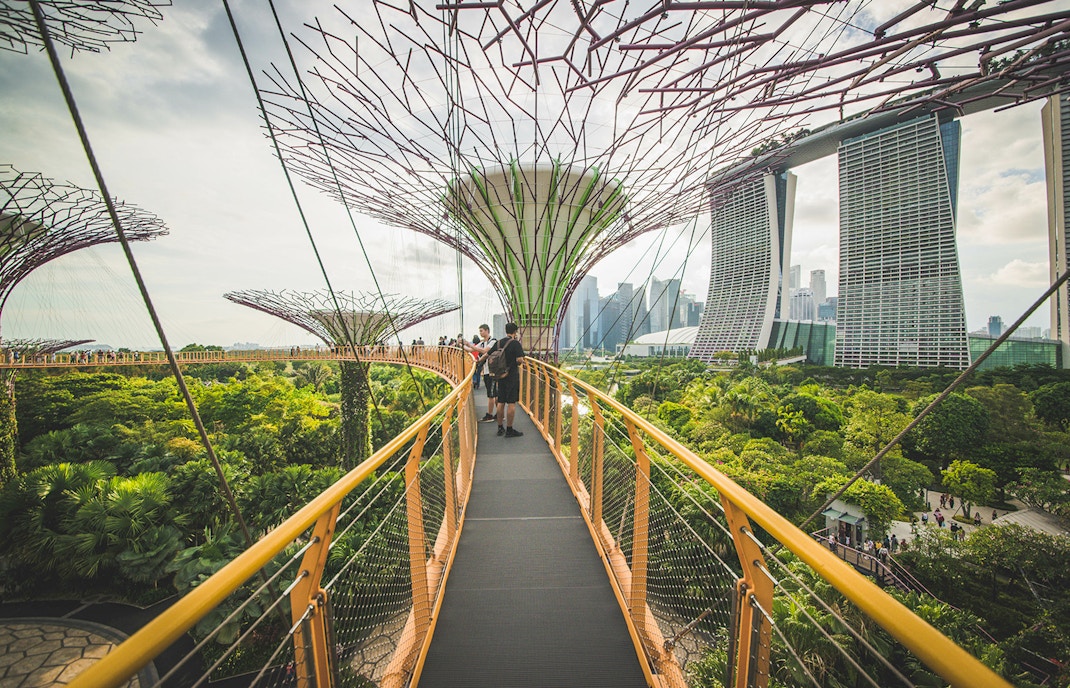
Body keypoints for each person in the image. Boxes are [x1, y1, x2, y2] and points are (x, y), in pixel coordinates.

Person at [489, 322, 525, 437]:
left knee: (501, 402)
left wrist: (479, 362)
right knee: (511, 403)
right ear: (515, 332)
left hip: (500, 376)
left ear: (506, 330)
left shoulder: (499, 342)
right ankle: (509, 429)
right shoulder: (515, 344)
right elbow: (519, 360)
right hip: (511, 376)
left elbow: (489, 354)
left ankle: (500, 428)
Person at [463, 324, 497, 421]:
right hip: (486, 371)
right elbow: (471, 349)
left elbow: (485, 351)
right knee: (493, 393)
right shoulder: (482, 343)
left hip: (492, 371)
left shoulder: (492, 341)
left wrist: (470, 345)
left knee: (491, 394)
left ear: (487, 331)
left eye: (481, 331)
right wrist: (463, 345)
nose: (480, 333)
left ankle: (490, 415)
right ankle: (499, 413)